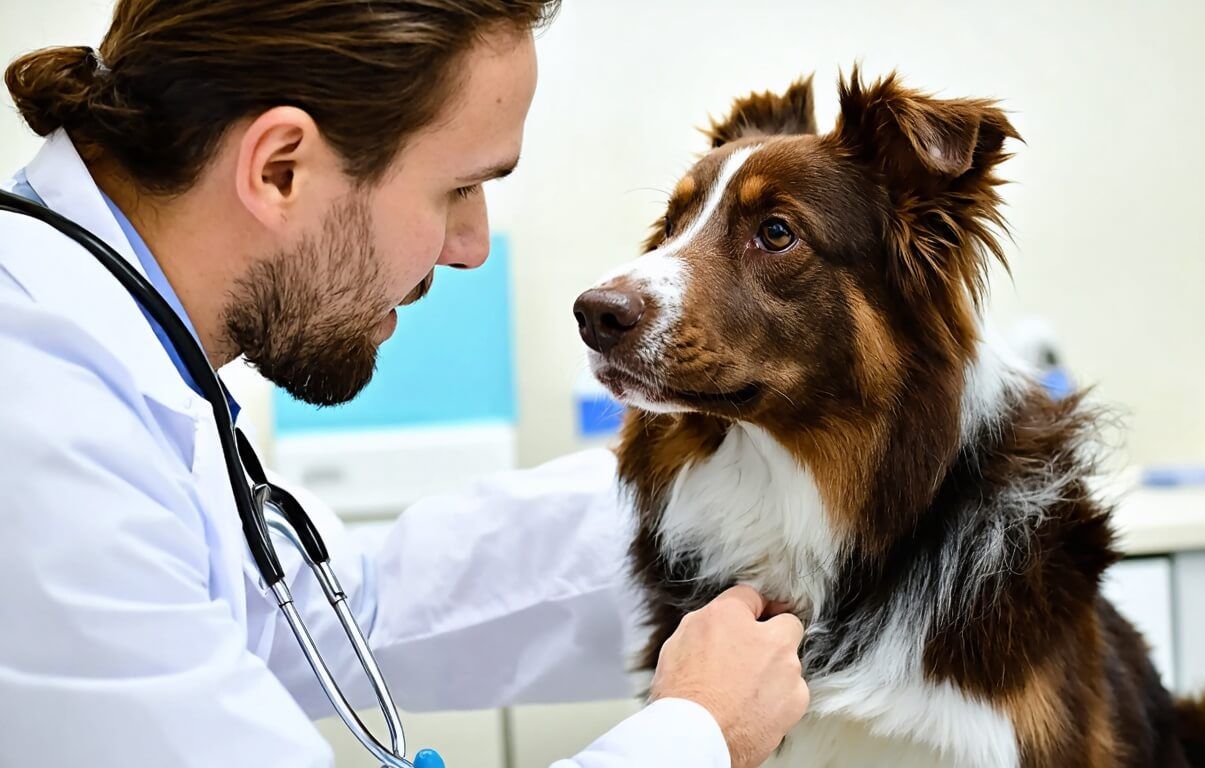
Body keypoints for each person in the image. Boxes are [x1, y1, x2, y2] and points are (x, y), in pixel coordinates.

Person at [0, 1, 809, 766]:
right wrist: (696, 736)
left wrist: (750, 514)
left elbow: (357, 612)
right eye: (459, 188)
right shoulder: (40, 429)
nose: (472, 247)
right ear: (280, 170)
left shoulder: (107, 343)